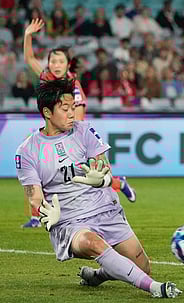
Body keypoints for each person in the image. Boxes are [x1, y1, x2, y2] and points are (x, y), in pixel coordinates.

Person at [15, 79, 182, 298]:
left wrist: (101, 177)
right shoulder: (28, 151)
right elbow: (34, 198)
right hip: (69, 221)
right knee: (91, 242)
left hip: (105, 210)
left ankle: (98, 276)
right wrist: (47, 214)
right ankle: (155, 288)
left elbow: (103, 165)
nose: (72, 114)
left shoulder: (84, 131)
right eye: (65, 109)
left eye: (73, 108)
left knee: (142, 266)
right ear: (47, 112)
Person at [21, 19, 136, 229]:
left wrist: (69, 140)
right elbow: (29, 58)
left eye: (60, 62)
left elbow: (78, 118)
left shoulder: (73, 86)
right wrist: (28, 34)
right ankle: (37, 216)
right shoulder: (47, 78)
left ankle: (116, 186)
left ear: (67, 65)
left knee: (89, 177)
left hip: (72, 135)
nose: (55, 65)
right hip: (54, 133)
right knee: (37, 165)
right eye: (52, 61)